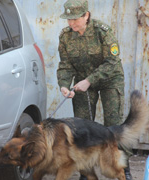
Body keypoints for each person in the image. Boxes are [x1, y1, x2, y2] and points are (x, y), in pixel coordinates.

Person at [57, 0, 132, 180]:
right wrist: (64, 85)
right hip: (82, 82)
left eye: (75, 19)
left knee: (113, 125)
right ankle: (86, 172)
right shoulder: (66, 36)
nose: (71, 23)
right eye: (69, 19)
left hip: (109, 80)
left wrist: (89, 81)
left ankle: (124, 170)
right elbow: (66, 65)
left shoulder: (102, 32)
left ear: (86, 15)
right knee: (82, 126)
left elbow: (112, 62)